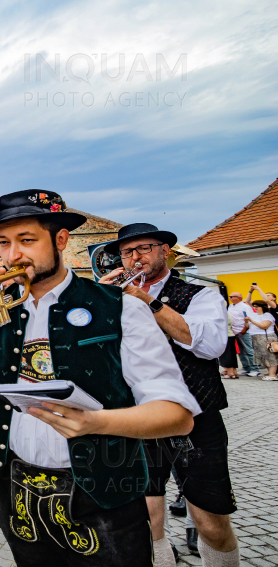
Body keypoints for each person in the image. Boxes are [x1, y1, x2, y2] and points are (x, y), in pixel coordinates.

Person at [0, 190, 199, 567]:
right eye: (4, 244)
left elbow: (177, 413)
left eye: (27, 241)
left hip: (103, 493)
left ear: (60, 240)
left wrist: (98, 422)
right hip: (19, 491)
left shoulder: (119, 306)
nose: (13, 255)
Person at [101, 223, 237, 567]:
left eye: (144, 248)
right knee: (148, 521)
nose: (135, 257)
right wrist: (97, 303)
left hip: (197, 416)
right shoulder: (113, 296)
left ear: (165, 251)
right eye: (127, 252)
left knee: (211, 522)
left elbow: (208, 345)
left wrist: (146, 300)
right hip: (140, 416)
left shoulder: (199, 294)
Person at [227, 293, 257, 376]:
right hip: (234, 331)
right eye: (230, 296)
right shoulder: (230, 306)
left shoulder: (245, 306)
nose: (230, 298)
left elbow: (250, 318)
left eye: (232, 297)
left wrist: (245, 329)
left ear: (239, 298)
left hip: (244, 331)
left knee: (249, 350)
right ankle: (246, 368)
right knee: (241, 351)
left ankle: (255, 369)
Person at [248, 300, 277, 380]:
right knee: (263, 356)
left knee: (270, 356)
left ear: (263, 307)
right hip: (256, 338)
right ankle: (270, 373)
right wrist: (247, 321)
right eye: (254, 306)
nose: (255, 308)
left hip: (266, 337)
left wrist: (251, 321)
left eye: (257, 306)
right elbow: (248, 326)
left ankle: (272, 375)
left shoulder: (267, 315)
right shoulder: (253, 315)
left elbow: (264, 326)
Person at [220, 302, 239, 379]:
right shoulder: (226, 312)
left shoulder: (220, 313)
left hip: (224, 335)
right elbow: (230, 323)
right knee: (232, 354)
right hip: (230, 334)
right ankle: (234, 372)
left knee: (226, 354)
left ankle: (230, 373)